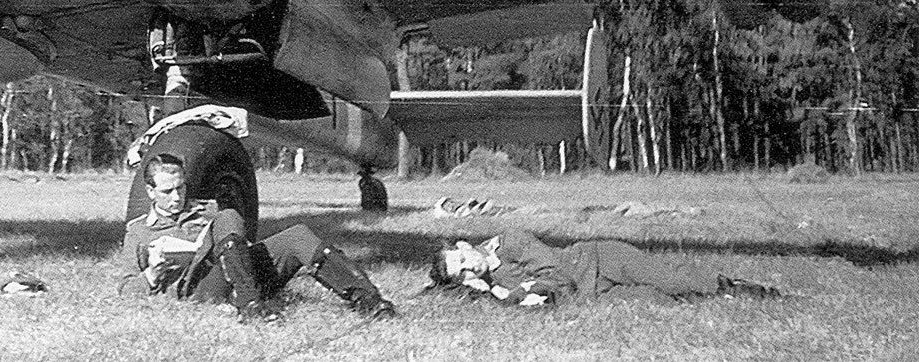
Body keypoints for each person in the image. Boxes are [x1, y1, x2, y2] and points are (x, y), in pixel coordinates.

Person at [119, 154, 394, 322]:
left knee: (297, 235)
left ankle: (367, 299)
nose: (177, 197)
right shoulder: (139, 230)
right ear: (150, 191)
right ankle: (250, 305)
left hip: (239, 274)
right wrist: (152, 274)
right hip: (200, 287)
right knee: (227, 217)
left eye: (181, 187)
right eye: (167, 191)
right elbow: (124, 290)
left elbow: (239, 245)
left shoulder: (207, 210)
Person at [427, 229, 781, 306]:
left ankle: (734, 287)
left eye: (461, 261)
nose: (467, 269)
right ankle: (717, 301)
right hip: (590, 294)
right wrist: (488, 294)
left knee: (667, 279)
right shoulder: (492, 283)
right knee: (655, 303)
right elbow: (542, 294)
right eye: (461, 274)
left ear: (463, 246)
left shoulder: (511, 242)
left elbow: (553, 274)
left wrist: (517, 292)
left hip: (598, 258)